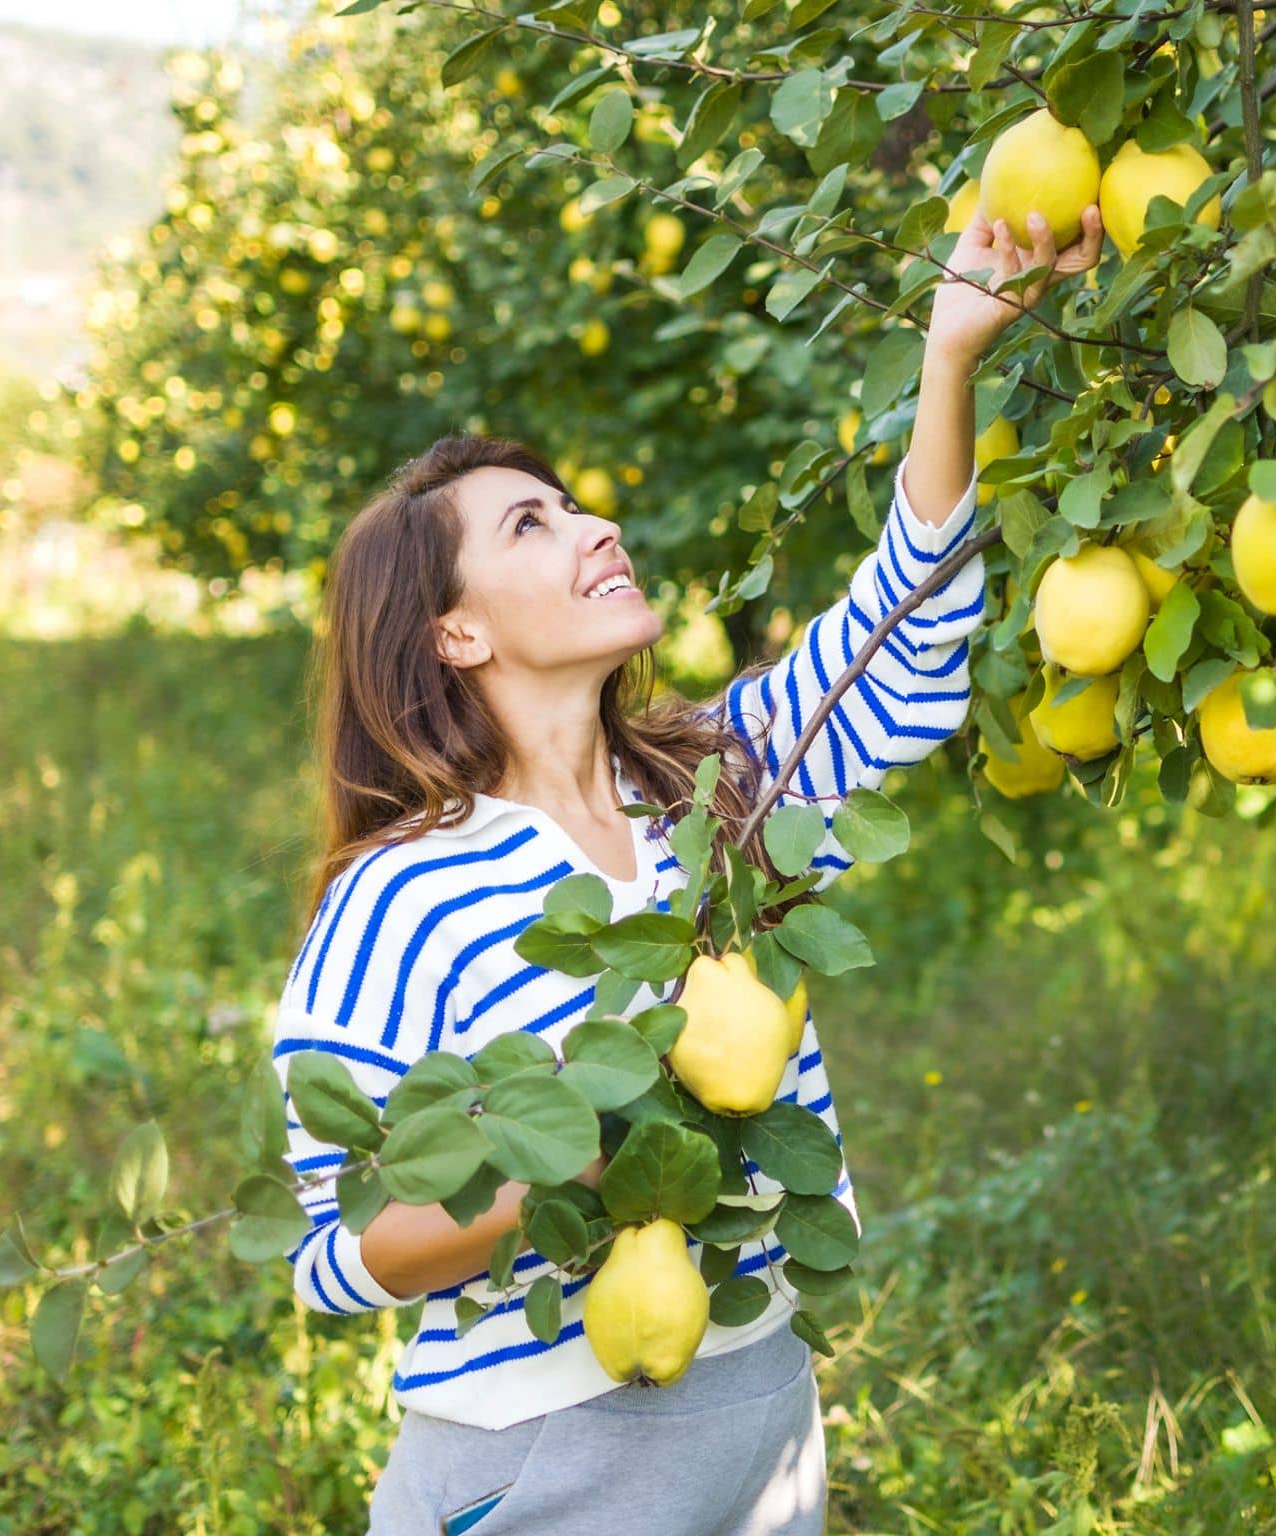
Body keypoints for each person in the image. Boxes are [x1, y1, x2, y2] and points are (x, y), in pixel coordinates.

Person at [267, 201, 1104, 1534]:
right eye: (532, 526)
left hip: (756, 1402)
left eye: (575, 503)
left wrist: (950, 361)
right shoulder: (399, 897)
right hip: (544, 1449)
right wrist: (560, 1172)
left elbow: (908, 626)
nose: (596, 525)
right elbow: (331, 1255)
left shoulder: (716, 781)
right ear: (456, 636)